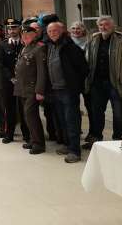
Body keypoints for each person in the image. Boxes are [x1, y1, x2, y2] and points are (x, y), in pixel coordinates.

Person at [85, 16, 122, 146]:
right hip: (97, 83)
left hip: (117, 84)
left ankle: (117, 139)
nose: (103, 27)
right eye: (101, 25)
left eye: (106, 25)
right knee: (96, 113)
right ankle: (97, 138)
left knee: (119, 114)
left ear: (113, 26)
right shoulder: (93, 40)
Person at [46, 22, 89, 163]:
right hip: (55, 89)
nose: (52, 33)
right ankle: (67, 144)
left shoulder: (71, 48)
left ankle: (75, 151)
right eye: (50, 31)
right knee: (62, 121)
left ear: (62, 31)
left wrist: (74, 84)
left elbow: (83, 69)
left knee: (72, 121)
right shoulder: (50, 46)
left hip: (68, 91)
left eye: (55, 30)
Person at [14, 25, 47, 155]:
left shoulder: (39, 48)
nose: (25, 37)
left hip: (32, 89)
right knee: (27, 116)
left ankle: (39, 144)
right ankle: (34, 140)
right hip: (22, 87)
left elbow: (42, 72)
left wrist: (40, 90)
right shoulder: (25, 47)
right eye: (23, 35)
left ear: (35, 34)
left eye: (28, 35)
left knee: (31, 116)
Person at [2, 18, 27, 144]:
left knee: (24, 109)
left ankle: (27, 135)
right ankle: (9, 134)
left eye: (14, 28)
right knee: (9, 108)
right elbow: (2, 64)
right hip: (9, 82)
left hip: (24, 82)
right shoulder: (3, 44)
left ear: (19, 29)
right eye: (10, 28)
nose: (12, 30)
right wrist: (10, 77)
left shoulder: (25, 43)